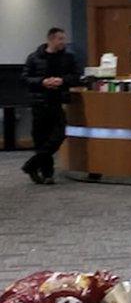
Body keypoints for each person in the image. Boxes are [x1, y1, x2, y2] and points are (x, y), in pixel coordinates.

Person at [20, 27, 81, 185]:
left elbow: (76, 76)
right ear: (51, 39)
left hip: (58, 101)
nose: (63, 42)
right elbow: (25, 78)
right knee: (41, 138)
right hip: (39, 102)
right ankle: (47, 174)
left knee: (59, 134)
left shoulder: (68, 58)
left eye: (64, 39)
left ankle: (32, 164)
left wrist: (63, 81)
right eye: (60, 39)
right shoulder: (34, 58)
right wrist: (42, 82)